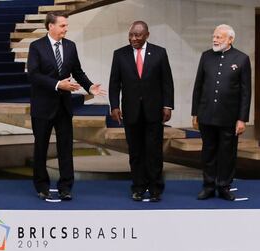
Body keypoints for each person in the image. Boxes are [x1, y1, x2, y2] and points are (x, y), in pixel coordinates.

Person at [27, 11, 105, 201]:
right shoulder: (36, 47)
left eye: (66, 25)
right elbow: (34, 75)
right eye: (62, 25)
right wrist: (57, 84)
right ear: (50, 26)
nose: (66, 29)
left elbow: (77, 71)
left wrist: (89, 86)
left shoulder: (70, 46)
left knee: (65, 148)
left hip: (63, 107)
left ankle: (65, 187)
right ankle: (42, 186)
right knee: (41, 148)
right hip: (42, 107)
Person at [109, 21, 174, 202]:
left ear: (147, 35)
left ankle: (155, 189)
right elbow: (114, 83)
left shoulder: (160, 53)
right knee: (135, 152)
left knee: (154, 152)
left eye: (137, 35)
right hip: (131, 112)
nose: (133, 39)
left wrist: (167, 105)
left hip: (154, 111)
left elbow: (167, 81)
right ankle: (138, 187)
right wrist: (114, 106)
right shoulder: (119, 54)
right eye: (131, 35)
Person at [192, 24, 251, 201]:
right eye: (214, 36)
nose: (215, 39)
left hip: (230, 117)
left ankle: (224, 186)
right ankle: (209, 186)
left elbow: (245, 92)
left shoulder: (241, 59)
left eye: (219, 37)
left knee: (227, 153)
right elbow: (198, 86)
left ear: (230, 39)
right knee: (208, 151)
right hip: (206, 114)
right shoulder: (206, 56)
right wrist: (195, 112)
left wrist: (242, 119)